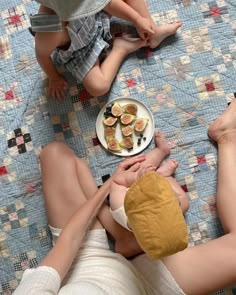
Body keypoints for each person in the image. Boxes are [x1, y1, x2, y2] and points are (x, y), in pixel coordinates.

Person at [13, 99, 236, 294]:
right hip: (147, 289)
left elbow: (69, 240)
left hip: (87, 265)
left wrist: (112, 183)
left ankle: (121, 235)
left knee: (54, 155)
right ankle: (226, 136)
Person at [30, 0, 182, 99]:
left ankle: (152, 29)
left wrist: (137, 19)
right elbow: (41, 54)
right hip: (81, 49)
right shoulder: (49, 29)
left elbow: (108, 4)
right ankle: (121, 49)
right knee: (98, 87)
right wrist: (54, 77)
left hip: (96, 17)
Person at [110, 130, 189, 231]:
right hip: (162, 219)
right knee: (184, 204)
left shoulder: (120, 209)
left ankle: (161, 151)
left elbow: (116, 182)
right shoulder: (163, 222)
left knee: (140, 167)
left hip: (131, 189)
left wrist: (136, 177)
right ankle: (163, 175)